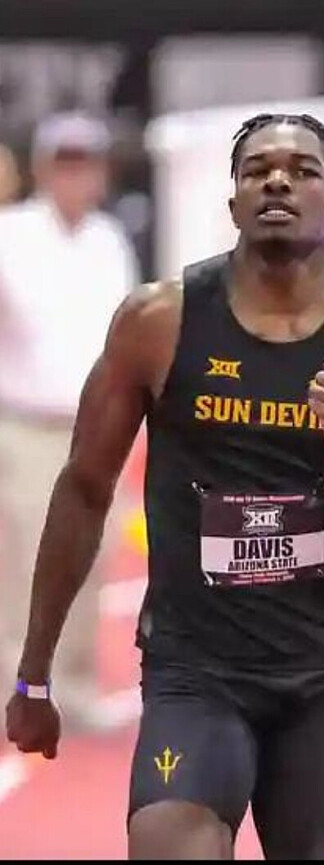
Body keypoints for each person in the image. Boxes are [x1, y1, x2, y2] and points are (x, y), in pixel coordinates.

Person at [5, 112, 324, 860]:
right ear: (233, 201)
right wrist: (34, 675)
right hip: (193, 676)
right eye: (256, 170)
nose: (277, 181)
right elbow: (84, 488)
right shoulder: (159, 321)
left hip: (322, 682)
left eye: (302, 170)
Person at [0, 112, 138, 727]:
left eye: (87, 163)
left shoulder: (110, 240)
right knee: (29, 560)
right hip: (27, 426)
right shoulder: (10, 235)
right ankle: (17, 689)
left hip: (98, 429)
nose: (76, 175)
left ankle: (75, 687)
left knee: (91, 556)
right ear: (42, 169)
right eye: (65, 163)